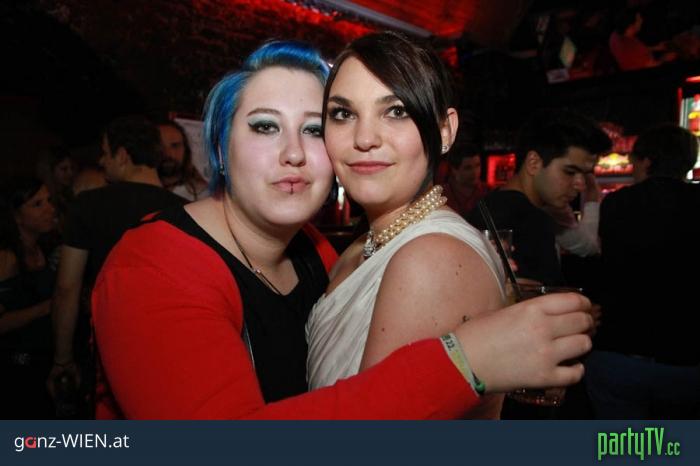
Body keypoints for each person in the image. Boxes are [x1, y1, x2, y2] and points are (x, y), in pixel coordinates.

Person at [92, 40, 594, 420]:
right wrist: (464, 363)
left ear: (445, 130)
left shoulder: (318, 252)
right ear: (220, 147)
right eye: (265, 126)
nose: (293, 152)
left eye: (313, 128)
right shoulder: (153, 268)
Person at [306, 32, 505, 418]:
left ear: (445, 130)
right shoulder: (363, 244)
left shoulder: (431, 259)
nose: (364, 138)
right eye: (343, 114)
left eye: (396, 111)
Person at [48, 116, 185, 415]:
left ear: (122, 155)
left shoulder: (88, 205)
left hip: (108, 348)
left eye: (105, 152)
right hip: (168, 347)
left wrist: (62, 358)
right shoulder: (186, 211)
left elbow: (67, 287)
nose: (101, 160)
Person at [586, 124, 700, 419]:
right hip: (687, 360)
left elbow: (591, 252)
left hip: (619, 354)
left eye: (634, 161)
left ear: (647, 161)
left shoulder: (617, 203)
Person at [468, 109, 611, 286]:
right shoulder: (532, 220)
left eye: (586, 174)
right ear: (534, 163)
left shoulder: (489, 205)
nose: (581, 184)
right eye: (570, 172)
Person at [0, 177, 58, 418]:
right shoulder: (7, 258)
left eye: (49, 200)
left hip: (47, 360)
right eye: (37, 204)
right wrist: (47, 307)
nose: (50, 209)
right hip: (18, 368)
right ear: (16, 217)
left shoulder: (48, 247)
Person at [158, 119, 209, 201]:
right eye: (160, 146)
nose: (168, 153)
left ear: (185, 149)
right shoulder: (142, 192)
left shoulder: (204, 195)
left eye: (175, 146)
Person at [440, 144, 491, 218]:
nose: (475, 172)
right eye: (468, 168)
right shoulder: (442, 195)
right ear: (454, 170)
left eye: (477, 165)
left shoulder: (488, 192)